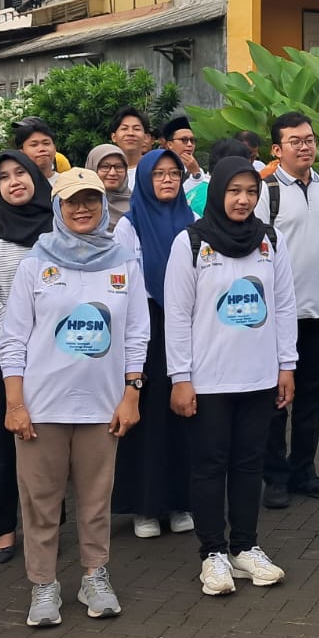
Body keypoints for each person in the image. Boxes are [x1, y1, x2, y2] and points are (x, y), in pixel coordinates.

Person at [0, 168, 145, 628]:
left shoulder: (124, 264)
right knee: (40, 500)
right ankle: (43, 585)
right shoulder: (35, 265)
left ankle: (94, 575)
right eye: (71, 202)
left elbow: (137, 335)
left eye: (91, 201)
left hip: (103, 406)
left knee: (97, 499)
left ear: (104, 206)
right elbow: (13, 339)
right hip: (42, 406)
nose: (82, 209)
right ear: (57, 210)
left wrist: (132, 394)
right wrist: (15, 404)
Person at [165, 158, 297, 596]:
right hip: (209, 380)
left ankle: (245, 547)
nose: (243, 200)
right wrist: (180, 378)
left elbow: (282, 306)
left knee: (248, 465)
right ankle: (213, 554)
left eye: (251, 192)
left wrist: (286, 366)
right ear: (218, 192)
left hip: (258, 377)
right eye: (234, 191)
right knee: (209, 466)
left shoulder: (267, 240)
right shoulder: (192, 242)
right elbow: (178, 316)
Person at [256, 112, 319, 508]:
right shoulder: (266, 191)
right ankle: (274, 477)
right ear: (277, 150)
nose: (305, 146)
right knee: (277, 402)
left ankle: (304, 471)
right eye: (294, 141)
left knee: (312, 399)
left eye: (309, 139)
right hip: (281, 318)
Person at [0, 149, 54, 565]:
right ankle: (3, 526)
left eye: (20, 172)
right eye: (3, 177)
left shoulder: (58, 229)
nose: (14, 182)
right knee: (2, 442)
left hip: (55, 356)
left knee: (49, 445)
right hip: (0, 355)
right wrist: (23, 337)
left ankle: (47, 522)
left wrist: (45, 340)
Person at [114, 148, 196, 540]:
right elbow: (124, 283)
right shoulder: (128, 227)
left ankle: (180, 501)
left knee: (182, 414)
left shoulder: (193, 222)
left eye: (173, 174)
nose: (167, 180)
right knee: (145, 417)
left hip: (185, 325)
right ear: (144, 179)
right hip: (144, 327)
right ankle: (145, 507)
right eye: (158, 174)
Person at [85, 144, 134, 229]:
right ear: (92, 168)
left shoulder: (137, 204)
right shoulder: (81, 204)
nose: (112, 173)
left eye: (118, 167)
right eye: (105, 167)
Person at [160, 117, 206, 192]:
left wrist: (195, 173)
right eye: (184, 140)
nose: (189, 144)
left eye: (192, 140)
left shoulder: (198, 171)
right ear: (170, 144)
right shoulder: (158, 167)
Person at [109, 106, 152, 185]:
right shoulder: (106, 172)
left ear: (146, 137)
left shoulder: (153, 168)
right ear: (113, 137)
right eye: (124, 129)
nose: (130, 133)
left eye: (136, 129)